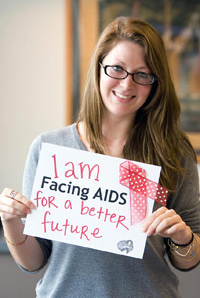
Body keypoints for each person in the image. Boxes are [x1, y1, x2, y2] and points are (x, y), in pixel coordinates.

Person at [0, 17, 200, 298]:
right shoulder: (48, 147)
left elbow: (188, 260)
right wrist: (9, 220)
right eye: (117, 69)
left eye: (142, 74)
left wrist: (184, 238)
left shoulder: (173, 151)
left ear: (155, 83)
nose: (127, 85)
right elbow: (34, 261)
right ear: (99, 69)